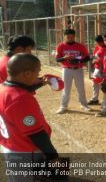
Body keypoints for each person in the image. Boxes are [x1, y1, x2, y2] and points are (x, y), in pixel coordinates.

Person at [0, 54, 61, 182]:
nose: (38, 74)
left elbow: (18, 90)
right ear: (27, 73)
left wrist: (38, 84)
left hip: (13, 146)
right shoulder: (20, 99)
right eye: (37, 71)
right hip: (26, 151)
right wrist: (53, 157)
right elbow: (36, 134)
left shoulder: (4, 88)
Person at [55, 29, 91, 114]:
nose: (70, 38)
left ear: (75, 37)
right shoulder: (60, 46)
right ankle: (63, 106)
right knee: (66, 88)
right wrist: (64, 58)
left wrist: (78, 61)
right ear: (64, 37)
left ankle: (84, 105)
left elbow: (87, 57)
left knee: (81, 88)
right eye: (68, 37)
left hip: (78, 69)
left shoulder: (80, 46)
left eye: (72, 37)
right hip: (66, 69)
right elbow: (57, 59)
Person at [87, 35, 106, 105]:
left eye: (101, 42)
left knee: (104, 84)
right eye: (98, 42)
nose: (99, 44)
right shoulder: (97, 47)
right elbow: (95, 56)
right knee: (95, 83)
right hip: (97, 68)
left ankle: (105, 100)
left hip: (104, 69)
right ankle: (95, 99)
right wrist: (94, 60)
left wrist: (99, 61)